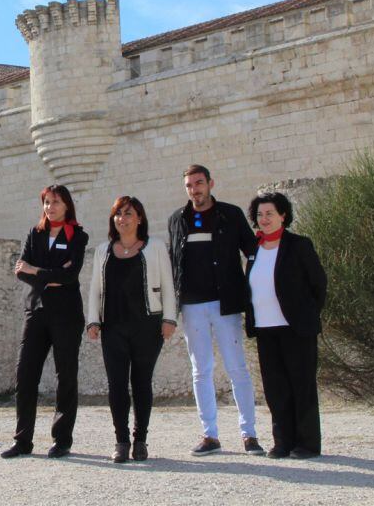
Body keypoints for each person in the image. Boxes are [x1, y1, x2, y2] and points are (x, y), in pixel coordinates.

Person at [168, 164, 265, 456]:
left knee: (238, 368)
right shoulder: (177, 219)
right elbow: (173, 262)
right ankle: (209, 435)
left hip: (226, 304)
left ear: (210, 183)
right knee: (200, 371)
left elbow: (252, 250)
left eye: (199, 183)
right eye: (189, 185)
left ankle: (249, 434)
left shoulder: (230, 214)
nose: (194, 190)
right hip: (192, 305)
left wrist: (252, 290)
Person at [86, 196, 177, 463]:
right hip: (113, 326)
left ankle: (141, 440)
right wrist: (93, 321)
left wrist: (169, 319)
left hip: (147, 325)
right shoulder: (103, 250)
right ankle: (121, 441)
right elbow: (94, 288)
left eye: (128, 214)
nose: (122, 219)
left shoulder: (155, 246)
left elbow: (168, 284)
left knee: (141, 382)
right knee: (116, 385)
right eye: (118, 214)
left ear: (139, 218)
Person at [1, 184, 89, 459]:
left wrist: (36, 270)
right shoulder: (34, 234)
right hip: (36, 311)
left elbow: (70, 275)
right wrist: (50, 274)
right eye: (46, 202)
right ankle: (23, 440)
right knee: (25, 375)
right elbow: (20, 272)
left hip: (66, 314)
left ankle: (61, 440)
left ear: (67, 205)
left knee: (66, 377)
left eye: (56, 202)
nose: (50, 207)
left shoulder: (78, 236)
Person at [245, 192, 327, 459]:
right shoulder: (255, 250)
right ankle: (283, 441)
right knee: (275, 388)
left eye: (269, 213)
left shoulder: (299, 245)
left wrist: (307, 314)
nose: (264, 219)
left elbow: (318, 284)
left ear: (283, 215)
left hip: (295, 328)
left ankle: (307, 444)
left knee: (301, 386)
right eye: (259, 214)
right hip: (266, 330)